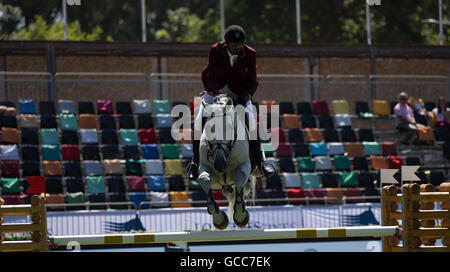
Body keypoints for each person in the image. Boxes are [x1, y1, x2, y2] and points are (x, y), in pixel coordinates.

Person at [186, 25, 277, 180]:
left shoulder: (250, 54)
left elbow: (253, 80)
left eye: (239, 45)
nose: (237, 48)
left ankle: (261, 162)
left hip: (238, 93)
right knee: (198, 121)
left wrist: (246, 95)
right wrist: (217, 96)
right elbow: (211, 75)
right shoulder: (215, 50)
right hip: (215, 91)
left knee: (252, 122)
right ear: (227, 43)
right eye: (234, 46)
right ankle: (195, 163)